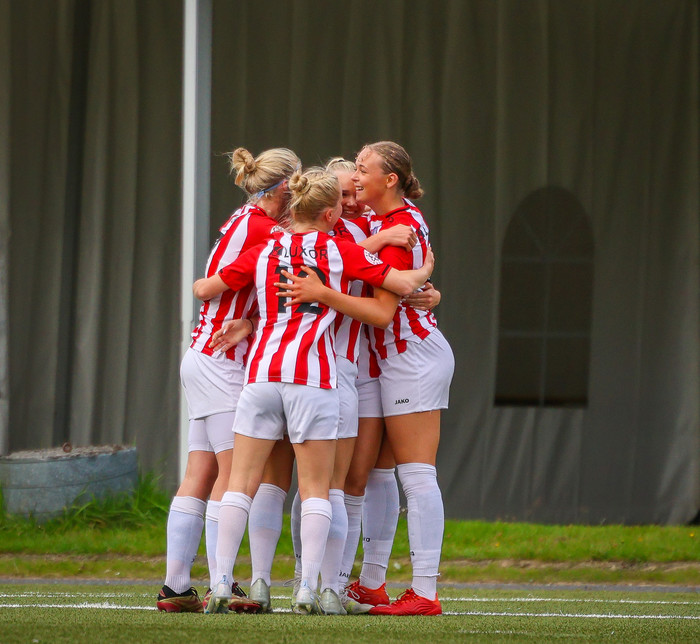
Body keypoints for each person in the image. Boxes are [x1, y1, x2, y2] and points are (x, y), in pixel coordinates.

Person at [192, 167, 434, 615]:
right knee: (321, 490)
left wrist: (246, 320)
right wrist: (426, 269)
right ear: (329, 213)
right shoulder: (339, 250)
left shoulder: (265, 248)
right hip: (315, 378)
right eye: (341, 201)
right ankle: (309, 588)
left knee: (242, 486)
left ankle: (223, 581)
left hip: (262, 375)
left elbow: (206, 286)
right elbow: (401, 286)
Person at [277, 142, 454, 616]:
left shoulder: (396, 226)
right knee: (371, 474)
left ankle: (424, 592)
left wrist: (421, 285)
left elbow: (382, 309)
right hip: (383, 360)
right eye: (349, 175)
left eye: (361, 169)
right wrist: (424, 279)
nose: (355, 180)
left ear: (389, 179)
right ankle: (364, 583)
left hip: (409, 354)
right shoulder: (379, 222)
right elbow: (371, 262)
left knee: (415, 474)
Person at [155, 146, 300, 613]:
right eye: (297, 186)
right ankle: (223, 581)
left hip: (204, 354)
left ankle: (176, 587)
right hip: (223, 359)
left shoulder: (247, 218)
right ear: (283, 188)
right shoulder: (266, 230)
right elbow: (212, 286)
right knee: (235, 473)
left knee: (200, 472)